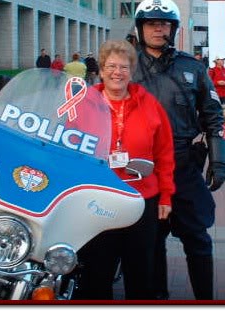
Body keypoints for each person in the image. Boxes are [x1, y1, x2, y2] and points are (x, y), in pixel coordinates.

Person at [132, 0, 225, 300]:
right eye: (151, 24)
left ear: (172, 29)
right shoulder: (127, 67)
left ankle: (204, 299)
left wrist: (218, 160)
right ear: (140, 28)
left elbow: (213, 115)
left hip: (183, 164)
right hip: (141, 168)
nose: (158, 30)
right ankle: (157, 297)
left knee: (197, 237)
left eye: (164, 24)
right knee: (150, 240)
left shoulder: (193, 68)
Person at [75, 39, 175, 300]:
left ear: (132, 71)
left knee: (141, 274)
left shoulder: (149, 104)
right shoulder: (84, 104)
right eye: (111, 66)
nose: (117, 72)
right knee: (96, 273)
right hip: (97, 199)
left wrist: (166, 195)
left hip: (140, 200)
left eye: (123, 67)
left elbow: (164, 153)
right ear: (101, 68)